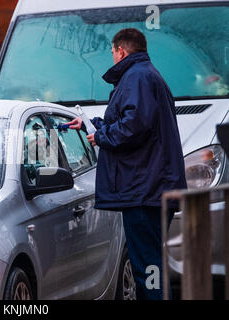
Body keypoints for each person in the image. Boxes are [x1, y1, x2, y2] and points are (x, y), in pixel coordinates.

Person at [66, 28, 187, 300]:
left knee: (148, 265)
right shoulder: (146, 75)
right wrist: (90, 125)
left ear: (121, 51)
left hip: (144, 190)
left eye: (112, 53)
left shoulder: (137, 77)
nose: (112, 59)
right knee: (151, 262)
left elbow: (134, 125)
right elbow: (136, 120)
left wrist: (101, 136)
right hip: (152, 188)